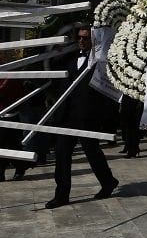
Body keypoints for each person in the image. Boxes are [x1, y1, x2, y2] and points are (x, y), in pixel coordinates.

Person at [45, 26, 119, 209]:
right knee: (62, 155)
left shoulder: (100, 62)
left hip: (87, 116)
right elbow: (54, 73)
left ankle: (108, 181)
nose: (81, 41)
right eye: (79, 37)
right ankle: (61, 194)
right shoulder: (69, 59)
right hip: (66, 115)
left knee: (92, 152)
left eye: (86, 38)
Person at [0, 51, 34, 183]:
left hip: (9, 113)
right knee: (3, 144)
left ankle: (7, 170)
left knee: (5, 144)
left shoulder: (10, 75)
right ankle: (13, 168)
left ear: (5, 61)